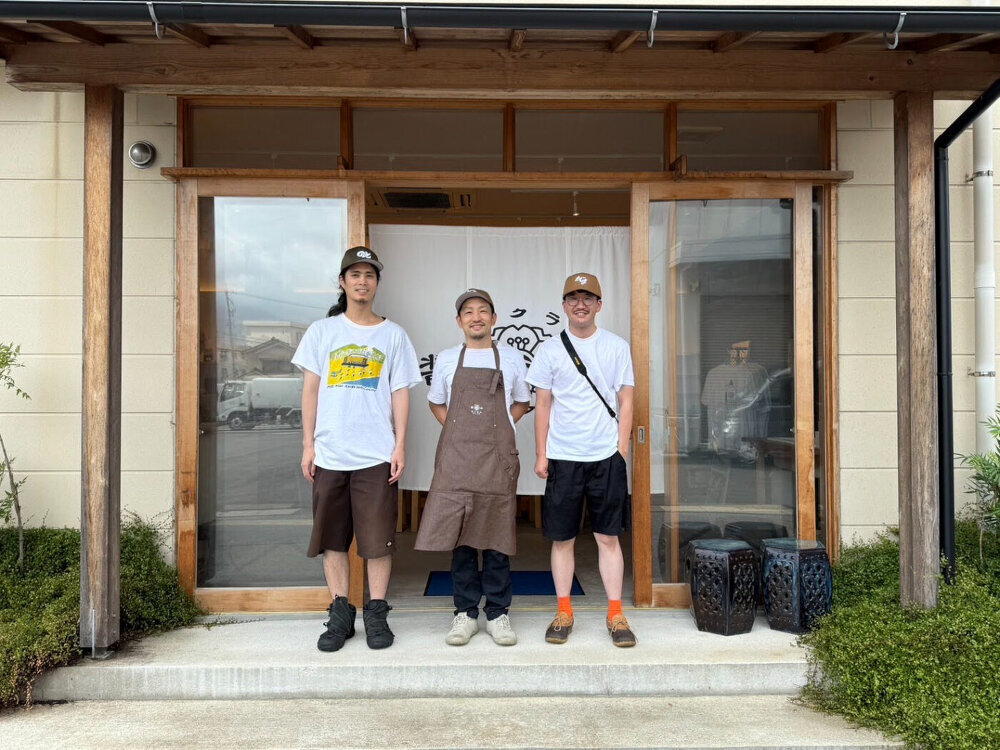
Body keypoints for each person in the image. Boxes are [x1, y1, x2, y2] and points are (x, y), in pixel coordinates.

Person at [292, 246, 421, 652]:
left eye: (369, 275)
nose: (362, 281)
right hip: (330, 453)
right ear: (343, 282)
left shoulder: (393, 335)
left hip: (376, 454)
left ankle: (376, 613)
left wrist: (400, 444)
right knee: (333, 539)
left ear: (377, 283)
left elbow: (400, 393)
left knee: (378, 540)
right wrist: (308, 444)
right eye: (355, 274)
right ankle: (340, 614)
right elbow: (310, 391)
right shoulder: (322, 332)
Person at [527, 272, 636, 647]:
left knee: (608, 538)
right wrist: (541, 453)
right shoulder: (550, 350)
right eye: (573, 298)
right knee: (562, 539)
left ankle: (616, 613)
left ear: (599, 305)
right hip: (563, 455)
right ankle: (564, 611)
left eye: (588, 298)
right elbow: (543, 404)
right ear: (564, 306)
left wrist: (621, 450)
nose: (581, 305)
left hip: (606, 455)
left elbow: (626, 399)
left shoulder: (616, 346)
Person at [416, 289, 531, 646]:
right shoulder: (448, 359)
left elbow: (522, 402)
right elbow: (437, 403)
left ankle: (497, 614)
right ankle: (465, 613)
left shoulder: (511, 358)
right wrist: (458, 431)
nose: (476, 317)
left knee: (497, 538)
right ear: (459, 321)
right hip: (458, 461)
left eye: (483, 311)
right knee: (461, 538)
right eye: (468, 312)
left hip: (497, 461)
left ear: (494, 319)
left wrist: (501, 430)